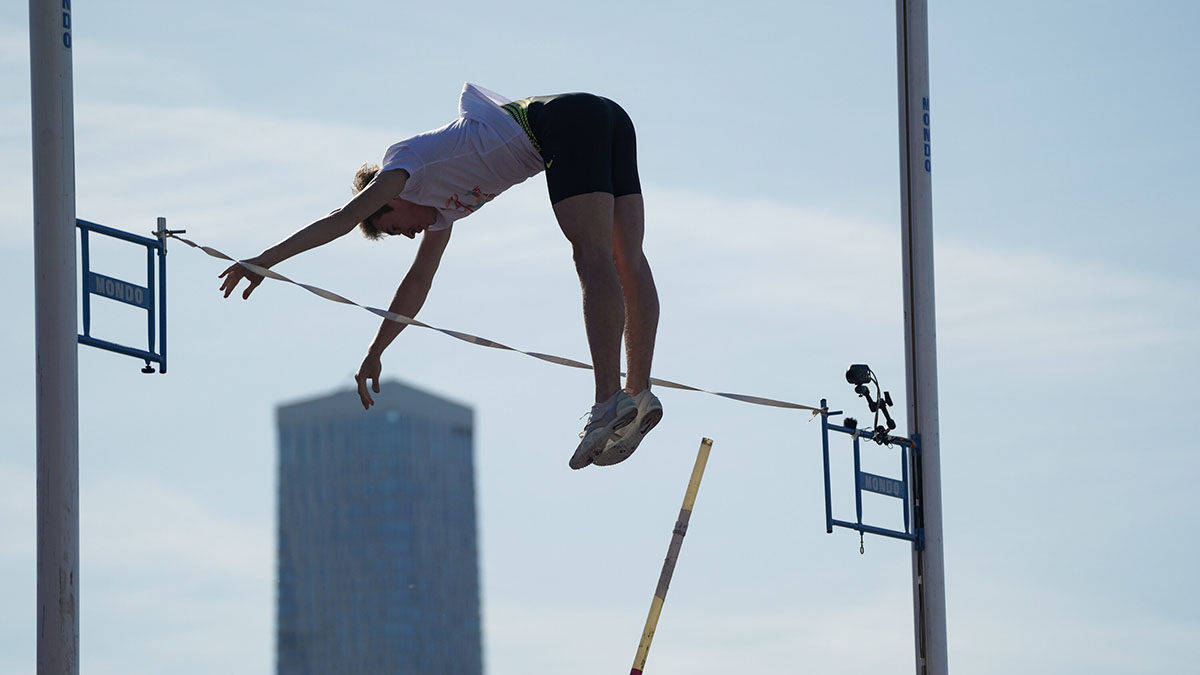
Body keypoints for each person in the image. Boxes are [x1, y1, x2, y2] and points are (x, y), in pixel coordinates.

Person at [218, 83, 662, 469]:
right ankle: (637, 396)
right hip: (606, 115)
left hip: (564, 122)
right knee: (628, 259)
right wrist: (376, 351)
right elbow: (418, 282)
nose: (410, 234)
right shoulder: (441, 210)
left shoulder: (405, 170)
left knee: (592, 252)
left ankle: (609, 401)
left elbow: (342, 217)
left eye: (396, 228)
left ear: (386, 203)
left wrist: (262, 261)